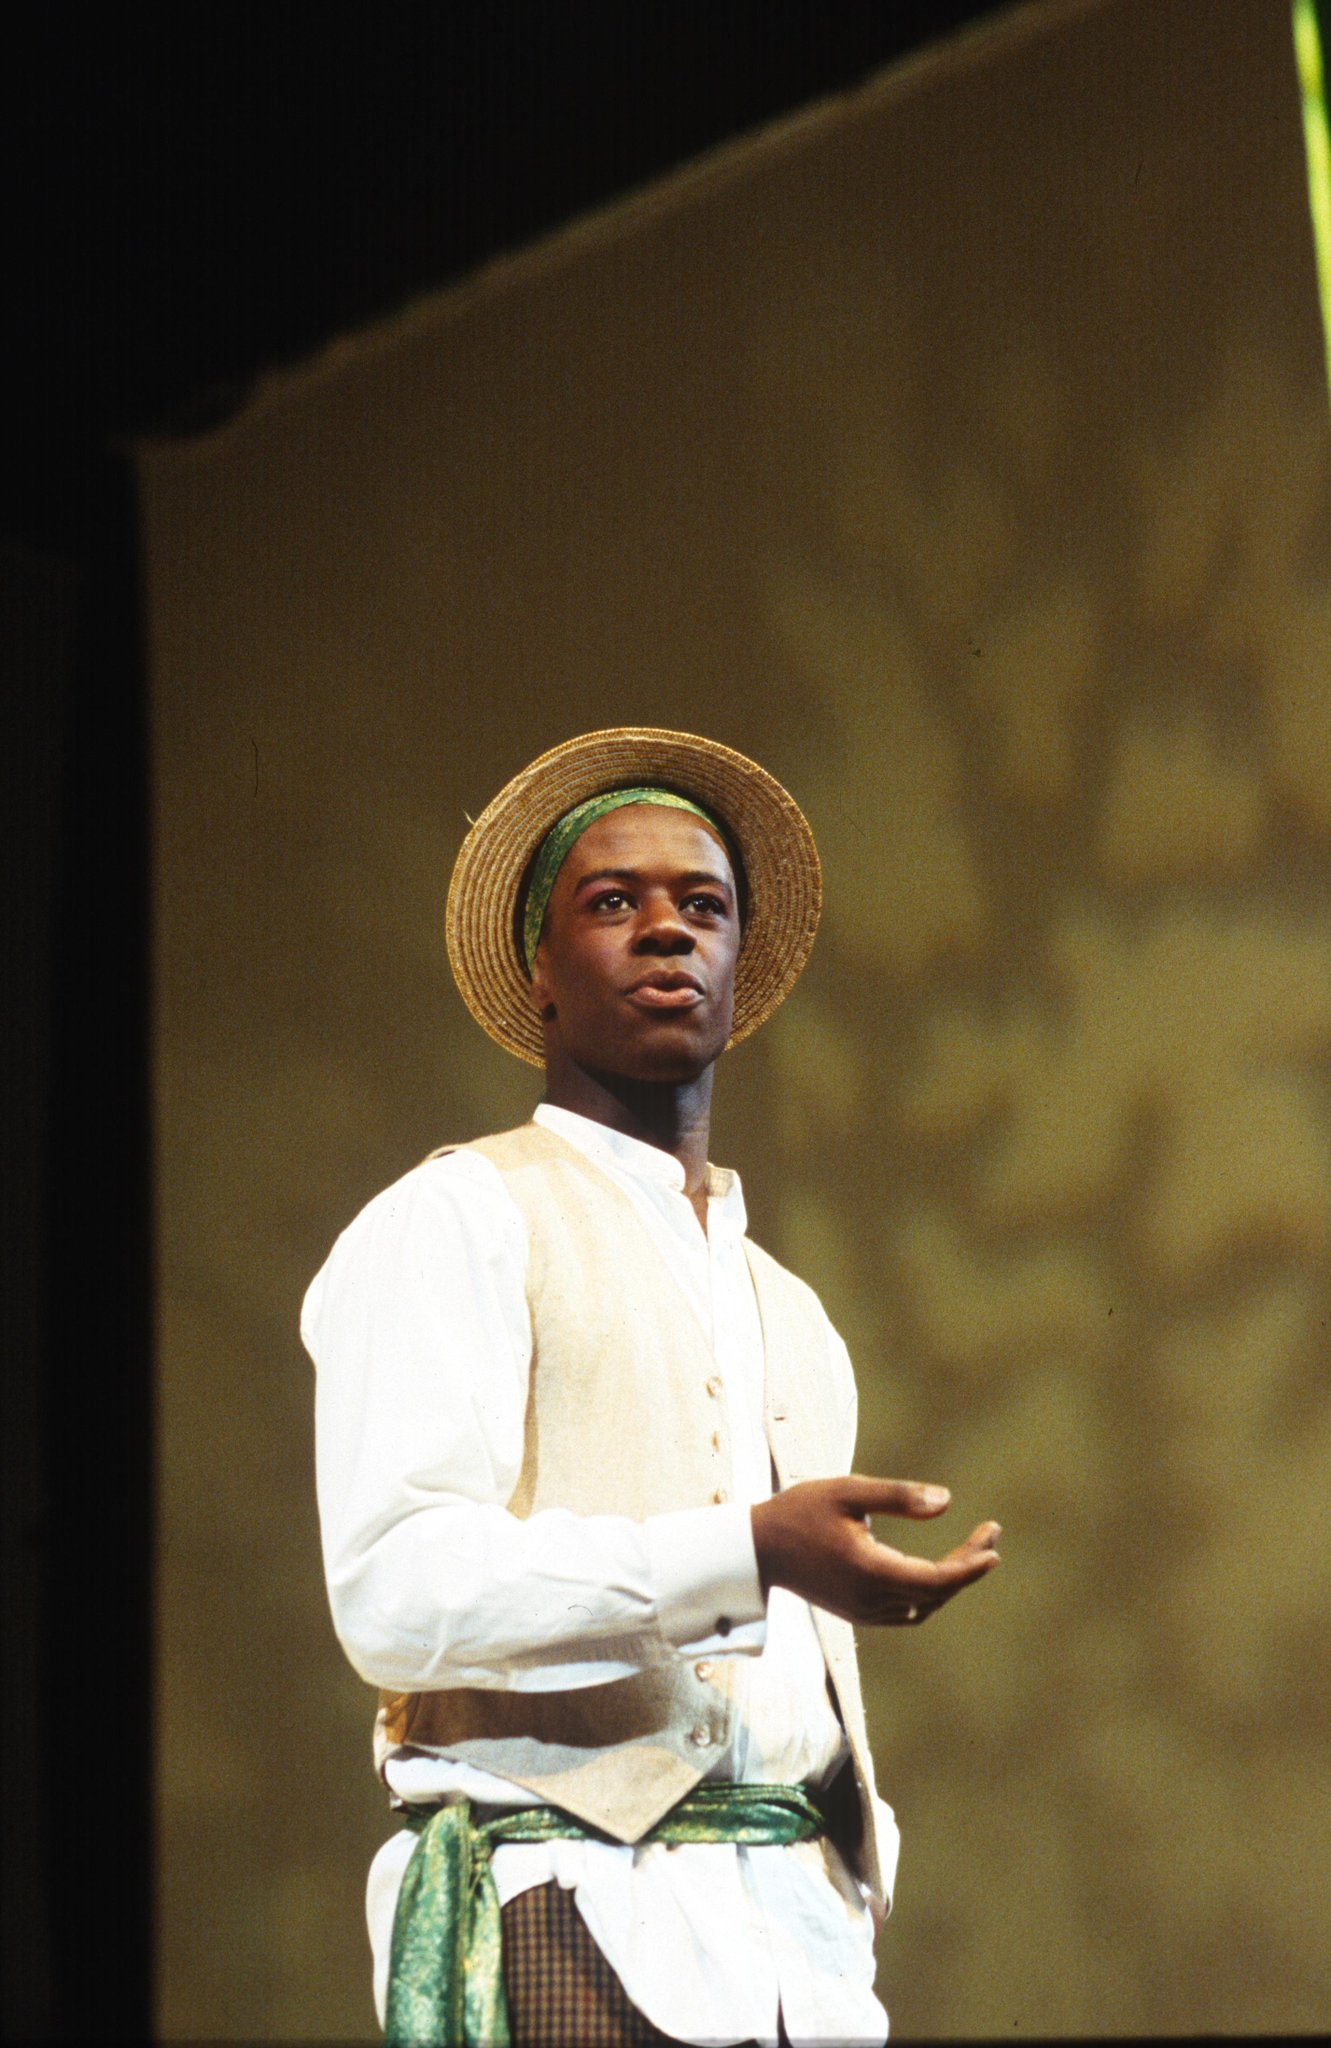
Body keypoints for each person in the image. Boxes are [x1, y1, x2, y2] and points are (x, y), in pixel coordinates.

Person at [303, 727, 1001, 2047]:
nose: (668, 931)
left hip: (800, 1947)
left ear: (741, 967)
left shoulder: (792, 1314)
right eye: (614, 902)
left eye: (704, 905)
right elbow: (393, 1595)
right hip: (575, 1904)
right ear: (539, 972)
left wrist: (856, 1865)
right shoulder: (459, 1219)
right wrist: (739, 1554)